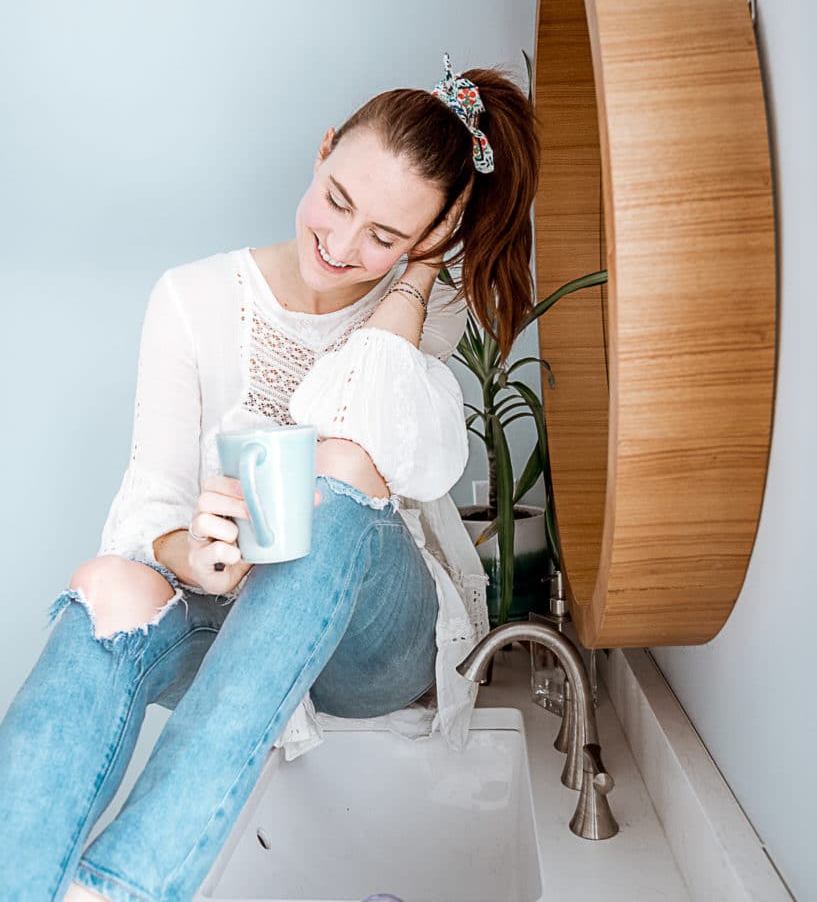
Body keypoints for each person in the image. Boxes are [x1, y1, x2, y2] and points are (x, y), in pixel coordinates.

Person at [0, 52, 541, 901]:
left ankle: (126, 885)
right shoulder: (191, 298)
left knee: (340, 463)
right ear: (321, 152)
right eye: (337, 199)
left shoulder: (420, 312)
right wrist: (195, 557)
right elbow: (150, 499)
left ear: (429, 238)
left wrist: (422, 276)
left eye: (388, 237)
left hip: (371, 651)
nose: (344, 243)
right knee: (109, 587)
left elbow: (353, 422)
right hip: (236, 619)